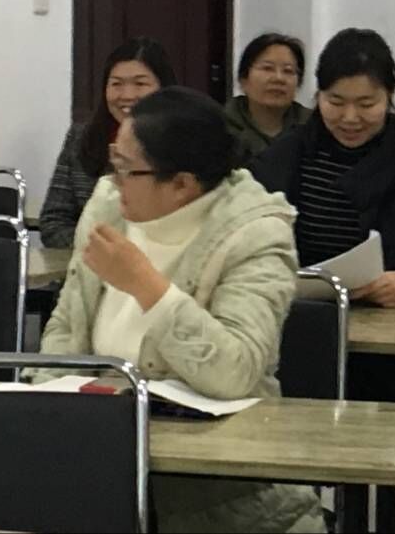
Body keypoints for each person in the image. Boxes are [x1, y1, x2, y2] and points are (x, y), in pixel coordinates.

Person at [35, 86, 324, 532]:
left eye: (126, 168)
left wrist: (147, 287)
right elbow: (65, 326)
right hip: (97, 464)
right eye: (114, 162)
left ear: (181, 184)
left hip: (222, 497)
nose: (113, 179)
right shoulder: (108, 207)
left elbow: (235, 371)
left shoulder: (257, 233)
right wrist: (47, 407)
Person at [251, 27, 395, 401]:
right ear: (317, 96)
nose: (350, 118)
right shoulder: (285, 157)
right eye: (335, 102)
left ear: (390, 96)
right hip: (293, 338)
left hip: (387, 353)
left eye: (367, 104)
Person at [39, 37, 176, 249]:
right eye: (116, 84)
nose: (127, 95)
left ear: (163, 88)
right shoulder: (81, 137)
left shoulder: (183, 142)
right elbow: (54, 222)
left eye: (140, 84)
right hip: (88, 261)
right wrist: (101, 251)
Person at [226, 32, 312, 162]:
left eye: (288, 71)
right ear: (243, 79)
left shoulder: (313, 127)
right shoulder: (221, 127)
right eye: (267, 68)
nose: (279, 78)